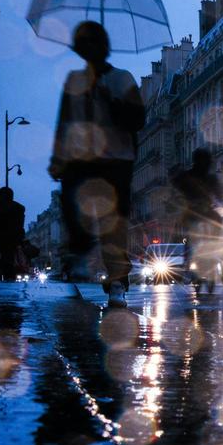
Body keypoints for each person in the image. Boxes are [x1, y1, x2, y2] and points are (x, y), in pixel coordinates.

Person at [49, 21, 145, 307]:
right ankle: (81, 251)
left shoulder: (121, 79)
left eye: (92, 42)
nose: (87, 49)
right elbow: (64, 121)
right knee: (72, 205)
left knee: (113, 223)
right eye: (82, 43)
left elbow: (138, 120)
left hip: (116, 159)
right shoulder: (73, 81)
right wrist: (58, 156)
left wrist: (113, 102)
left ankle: (117, 281)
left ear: (103, 46)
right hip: (82, 158)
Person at [171, 147, 223, 286]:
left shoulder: (191, 176)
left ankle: (205, 251)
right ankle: (192, 257)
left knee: (200, 230)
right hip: (195, 211)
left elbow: (219, 194)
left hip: (199, 211)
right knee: (192, 235)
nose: (205, 163)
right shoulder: (202, 177)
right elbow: (177, 191)